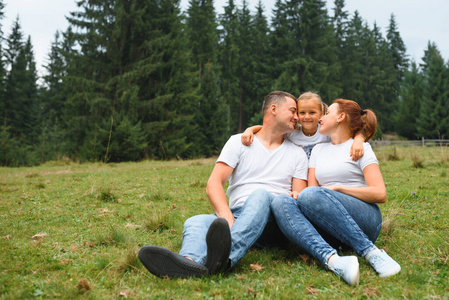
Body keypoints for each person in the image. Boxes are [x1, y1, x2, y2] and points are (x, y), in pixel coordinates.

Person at [138, 91, 309, 278]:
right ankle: (189, 263)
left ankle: (223, 260)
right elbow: (214, 183)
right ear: (273, 109)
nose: (297, 117)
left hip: (272, 221)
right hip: (237, 214)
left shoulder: (297, 153)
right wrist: (227, 216)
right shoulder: (239, 142)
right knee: (195, 221)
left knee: (260, 195)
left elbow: (296, 197)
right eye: (293, 111)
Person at [271, 99, 401, 286]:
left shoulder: (360, 148)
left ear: (340, 117)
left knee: (311, 194)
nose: (321, 118)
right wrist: (296, 196)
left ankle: (371, 252)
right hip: (330, 226)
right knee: (281, 201)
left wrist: (339, 188)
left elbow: (380, 194)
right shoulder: (318, 150)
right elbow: (311, 192)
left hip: (365, 219)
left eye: (327, 113)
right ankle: (334, 260)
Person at [241, 91, 366, 160]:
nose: (307, 116)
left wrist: (358, 141)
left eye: (312, 112)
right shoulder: (293, 132)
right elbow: (269, 130)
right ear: (296, 114)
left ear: (321, 113)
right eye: (302, 113)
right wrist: (249, 130)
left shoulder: (325, 132)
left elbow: (352, 133)